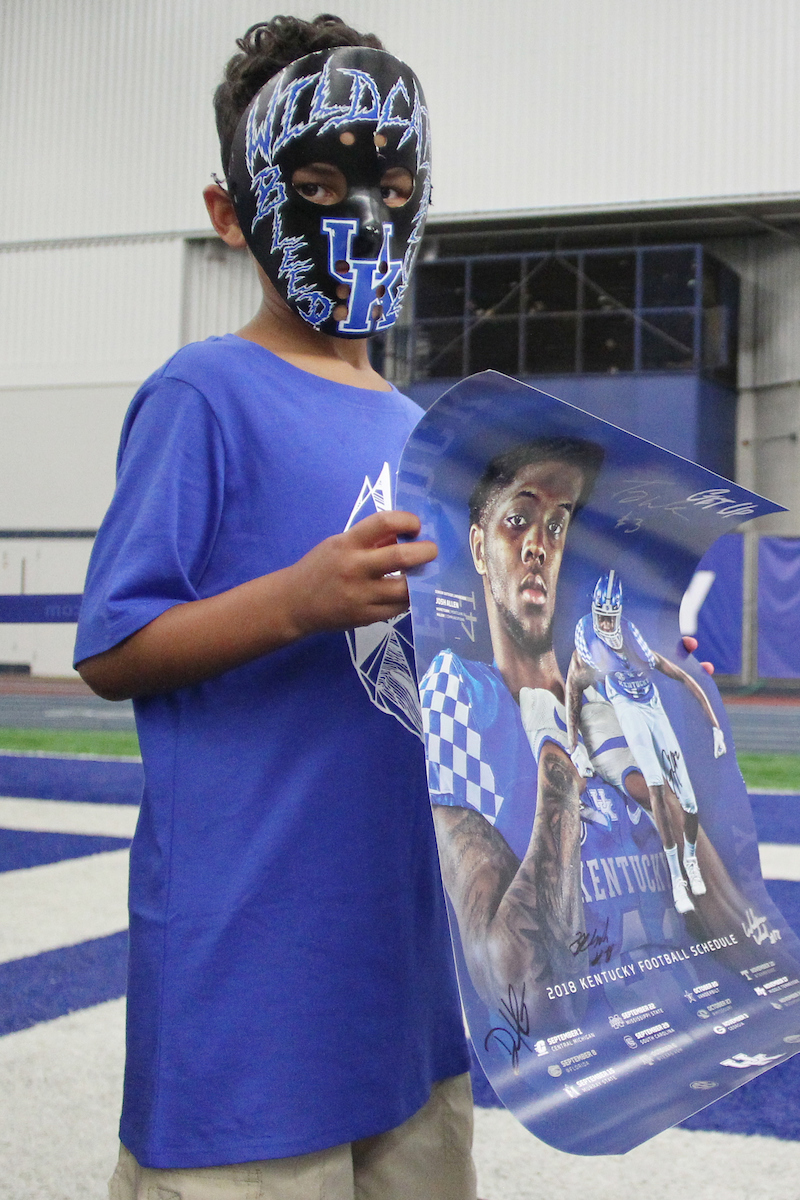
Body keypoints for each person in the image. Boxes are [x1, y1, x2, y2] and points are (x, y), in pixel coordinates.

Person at [75, 16, 475, 1200]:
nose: (359, 215)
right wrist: (298, 600)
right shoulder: (203, 393)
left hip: (401, 983)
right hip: (246, 982)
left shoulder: (420, 429)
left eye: (391, 185)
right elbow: (110, 644)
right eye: (312, 185)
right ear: (230, 208)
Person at [419, 437, 738, 1028]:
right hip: (587, 1068)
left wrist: (667, 763)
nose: (539, 544)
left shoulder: (612, 706)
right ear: (479, 549)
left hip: (682, 1040)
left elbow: (733, 932)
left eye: (557, 526)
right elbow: (527, 999)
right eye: (518, 520)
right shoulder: (460, 694)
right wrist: (558, 778)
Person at [566, 569, 727, 915]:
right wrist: (572, 739)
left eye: (612, 620)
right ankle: (677, 879)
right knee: (655, 788)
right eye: (602, 619)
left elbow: (684, 678)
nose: (606, 627)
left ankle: (689, 860)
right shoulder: (589, 649)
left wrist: (714, 726)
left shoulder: (641, 650)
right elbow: (573, 687)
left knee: (688, 800)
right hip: (626, 709)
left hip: (651, 707)